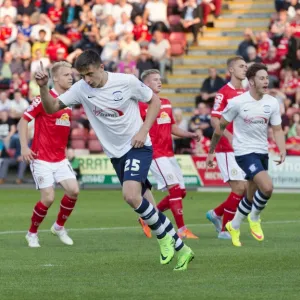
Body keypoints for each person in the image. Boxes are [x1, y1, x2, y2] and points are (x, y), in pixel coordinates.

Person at [34, 49, 194, 271]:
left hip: (138, 146)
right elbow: (50, 107)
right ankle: (181, 248)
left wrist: (143, 130)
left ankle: (164, 239)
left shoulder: (126, 81)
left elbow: (154, 102)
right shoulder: (81, 88)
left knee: (130, 196)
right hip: (116, 155)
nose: (87, 79)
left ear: (101, 67)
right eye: (82, 75)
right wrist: (43, 87)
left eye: (90, 74)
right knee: (146, 205)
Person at [206, 63, 286, 247]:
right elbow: (220, 128)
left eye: (267, 78)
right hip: (244, 152)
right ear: (251, 82)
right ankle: (255, 218)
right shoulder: (237, 103)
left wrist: (282, 149)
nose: (266, 81)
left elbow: (277, 129)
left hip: (261, 151)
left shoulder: (272, 102)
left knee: (250, 195)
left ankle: (234, 225)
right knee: (267, 187)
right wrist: (211, 151)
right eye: (262, 78)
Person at [18, 61, 80, 248]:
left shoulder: (68, 102)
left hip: (60, 158)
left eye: (71, 74)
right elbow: (23, 121)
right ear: (55, 78)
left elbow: (62, 129)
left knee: (74, 191)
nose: (71, 77)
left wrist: (68, 146)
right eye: (66, 74)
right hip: (41, 157)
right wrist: (24, 147)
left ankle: (59, 227)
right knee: (48, 197)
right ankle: (32, 233)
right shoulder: (42, 99)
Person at [138, 69, 199, 239]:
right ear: (146, 84)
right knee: (174, 189)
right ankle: (181, 230)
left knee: (182, 192)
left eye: (160, 79)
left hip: (169, 154)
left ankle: (147, 218)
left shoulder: (166, 102)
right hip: (155, 154)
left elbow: (172, 127)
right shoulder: (141, 105)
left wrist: (189, 134)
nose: (159, 81)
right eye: (155, 79)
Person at [205, 56, 247, 239]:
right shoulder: (223, 93)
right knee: (239, 187)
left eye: (246, 66)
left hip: (242, 147)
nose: (244, 69)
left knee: (244, 189)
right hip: (227, 147)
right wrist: (228, 137)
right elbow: (215, 119)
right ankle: (224, 230)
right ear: (231, 70)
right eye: (241, 66)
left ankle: (216, 214)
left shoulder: (246, 93)